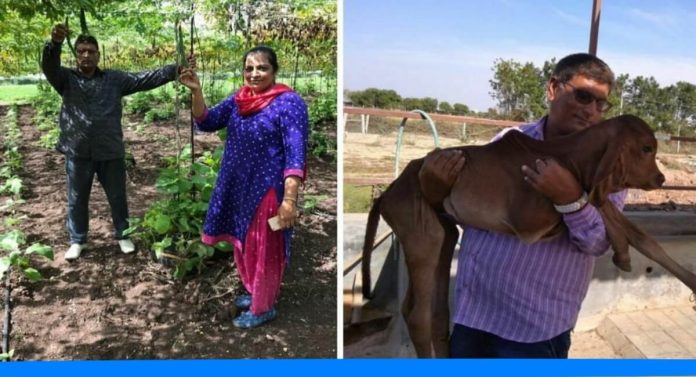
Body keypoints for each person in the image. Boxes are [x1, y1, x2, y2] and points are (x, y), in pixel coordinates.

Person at [419, 53, 624, 358]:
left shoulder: (608, 167)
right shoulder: (509, 139)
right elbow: (474, 210)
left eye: (600, 103)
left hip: (534, 330)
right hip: (474, 312)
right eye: (583, 97)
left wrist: (570, 200)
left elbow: (598, 243)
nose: (591, 111)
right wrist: (436, 189)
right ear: (554, 89)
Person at [178, 46, 308, 328]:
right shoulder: (240, 99)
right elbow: (207, 121)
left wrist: (289, 201)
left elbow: (295, 153)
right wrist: (196, 91)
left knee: (265, 247)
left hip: (267, 189)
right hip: (238, 186)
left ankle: (264, 307)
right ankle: (254, 291)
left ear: (274, 71)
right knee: (245, 242)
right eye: (249, 68)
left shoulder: (289, 103)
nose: (254, 73)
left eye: (262, 68)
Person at [42, 24, 183, 261]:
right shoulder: (65, 78)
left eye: (90, 51)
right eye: (81, 51)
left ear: (98, 54)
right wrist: (54, 44)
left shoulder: (114, 79)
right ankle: (77, 240)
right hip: (78, 150)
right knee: (77, 198)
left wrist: (174, 70)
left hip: (110, 150)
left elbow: (144, 78)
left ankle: (123, 234)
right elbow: (49, 65)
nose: (86, 55)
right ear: (76, 55)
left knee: (117, 195)